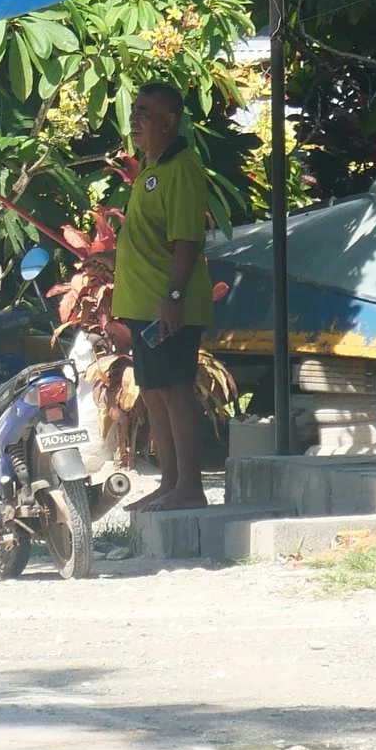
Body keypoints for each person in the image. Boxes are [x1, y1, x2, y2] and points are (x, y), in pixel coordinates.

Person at [111, 80, 212, 514]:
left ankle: (190, 487)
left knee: (176, 391)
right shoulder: (149, 169)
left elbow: (187, 240)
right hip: (141, 307)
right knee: (153, 393)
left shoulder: (180, 169)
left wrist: (173, 295)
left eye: (145, 113)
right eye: (133, 111)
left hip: (168, 306)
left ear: (170, 121)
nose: (135, 120)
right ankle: (169, 483)